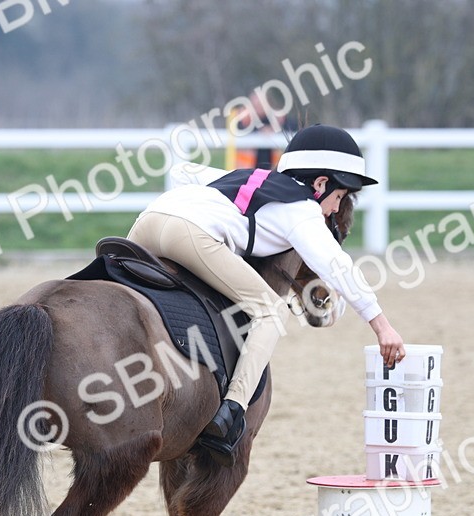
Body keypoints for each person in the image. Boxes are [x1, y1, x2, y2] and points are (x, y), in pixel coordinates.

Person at [127, 124, 406, 463]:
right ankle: (230, 413)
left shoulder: (248, 176)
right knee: (271, 311)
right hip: (189, 234)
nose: (334, 209)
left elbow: (183, 170)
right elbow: (338, 267)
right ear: (320, 184)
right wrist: (382, 326)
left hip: (146, 222)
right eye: (338, 197)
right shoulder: (303, 209)